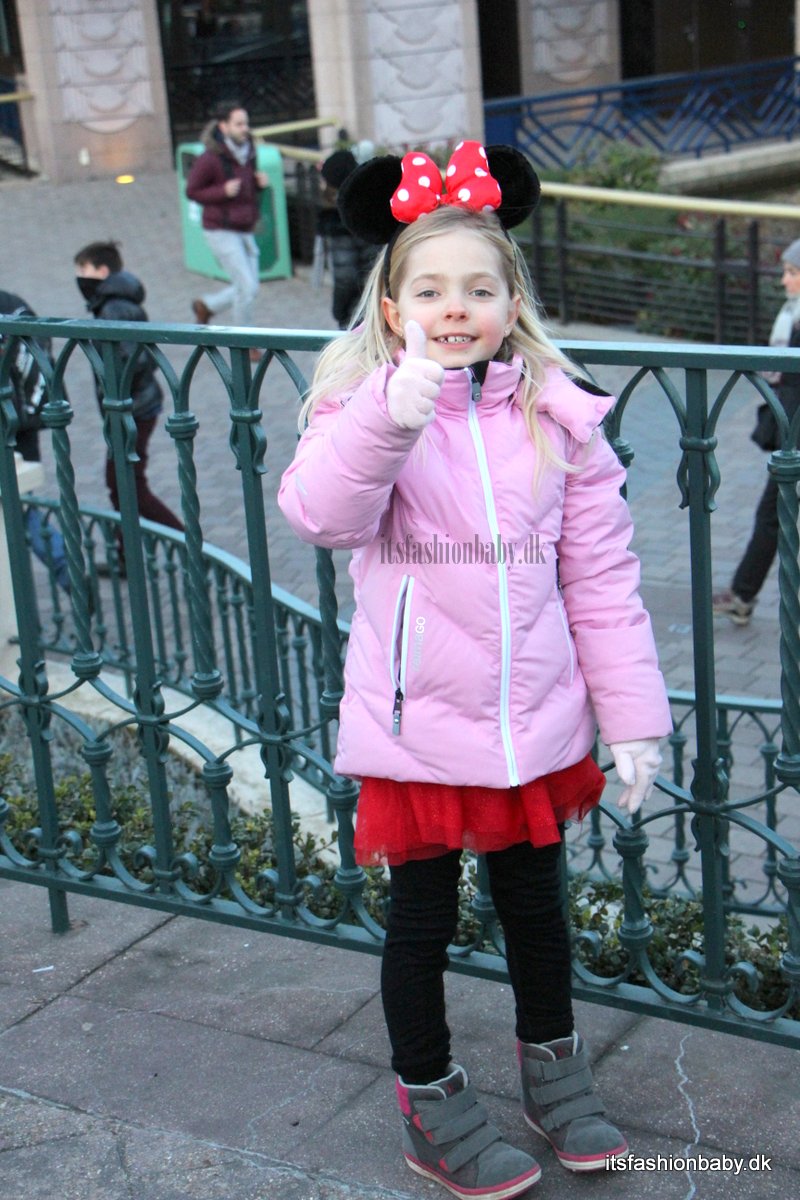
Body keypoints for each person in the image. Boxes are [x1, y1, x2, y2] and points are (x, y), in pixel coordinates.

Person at [278, 141, 672, 1198]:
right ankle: (429, 1100)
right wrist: (392, 411)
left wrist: (632, 715)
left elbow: (600, 577)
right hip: (420, 727)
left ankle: (555, 1075)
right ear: (393, 307)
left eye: (478, 288)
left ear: (511, 303)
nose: (455, 306)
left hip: (533, 722)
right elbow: (320, 513)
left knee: (537, 913)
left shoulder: (559, 415)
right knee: (423, 924)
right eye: (430, 289)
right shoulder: (362, 410)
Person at [74, 241, 183, 557]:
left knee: (129, 485)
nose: (79, 278)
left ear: (102, 271)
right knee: (123, 483)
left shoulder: (114, 308)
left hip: (133, 408)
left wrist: (116, 399)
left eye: (83, 270)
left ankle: (189, 546)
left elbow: (132, 361)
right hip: (133, 406)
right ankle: (127, 554)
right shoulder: (113, 302)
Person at [713, 238, 800, 626]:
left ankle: (743, 595)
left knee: (772, 514)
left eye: (792, 272)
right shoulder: (792, 315)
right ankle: (743, 595)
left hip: (795, 438)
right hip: (791, 435)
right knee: (773, 514)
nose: (784, 281)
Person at [185, 99, 268, 357]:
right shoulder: (210, 158)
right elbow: (192, 190)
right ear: (224, 126)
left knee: (250, 286)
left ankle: (207, 306)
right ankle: (244, 343)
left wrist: (258, 183)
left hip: (244, 225)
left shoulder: (249, 150)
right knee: (247, 287)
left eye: (246, 123)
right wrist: (222, 190)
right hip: (220, 229)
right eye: (239, 124)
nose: (245, 128)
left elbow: (247, 186)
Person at [0, 289, 70, 591]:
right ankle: (66, 567)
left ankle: (64, 568)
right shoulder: (12, 303)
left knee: (17, 507)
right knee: (20, 503)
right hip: (27, 416)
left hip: (11, 421)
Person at [316, 148, 377, 328]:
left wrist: (339, 311)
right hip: (381, 304)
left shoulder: (340, 223)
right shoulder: (371, 208)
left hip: (357, 313)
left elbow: (345, 277)